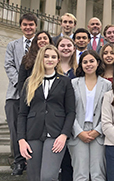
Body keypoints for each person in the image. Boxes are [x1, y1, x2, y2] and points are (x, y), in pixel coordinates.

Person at [17, 45, 75, 181]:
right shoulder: (29, 82)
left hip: (55, 135)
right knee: (34, 177)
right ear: (40, 59)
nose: (50, 59)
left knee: (48, 176)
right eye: (46, 56)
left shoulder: (65, 82)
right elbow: (22, 113)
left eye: (53, 57)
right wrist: (21, 140)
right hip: (33, 134)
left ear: (58, 60)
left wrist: (64, 135)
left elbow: (71, 112)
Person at [68, 50, 111, 181]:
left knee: (98, 174)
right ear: (81, 65)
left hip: (99, 132)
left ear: (98, 63)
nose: (88, 64)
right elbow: (69, 110)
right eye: (85, 62)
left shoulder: (107, 85)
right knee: (80, 174)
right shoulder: (73, 83)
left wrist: (98, 130)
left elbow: (109, 112)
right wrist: (78, 131)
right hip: (78, 130)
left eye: (91, 61)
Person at [4, 13, 37, 176]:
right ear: (21, 26)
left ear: (36, 26)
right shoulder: (12, 45)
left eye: (31, 24)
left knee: (32, 129)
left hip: (36, 95)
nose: (28, 27)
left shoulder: (40, 45)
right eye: (25, 24)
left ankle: (31, 159)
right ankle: (18, 161)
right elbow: (8, 65)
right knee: (15, 129)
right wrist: (21, 84)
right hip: (15, 94)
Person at [56, 36, 77, 180]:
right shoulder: (51, 69)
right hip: (55, 120)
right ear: (57, 48)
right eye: (62, 45)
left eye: (69, 45)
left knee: (69, 163)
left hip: (74, 119)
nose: (65, 48)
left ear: (74, 49)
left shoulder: (78, 71)